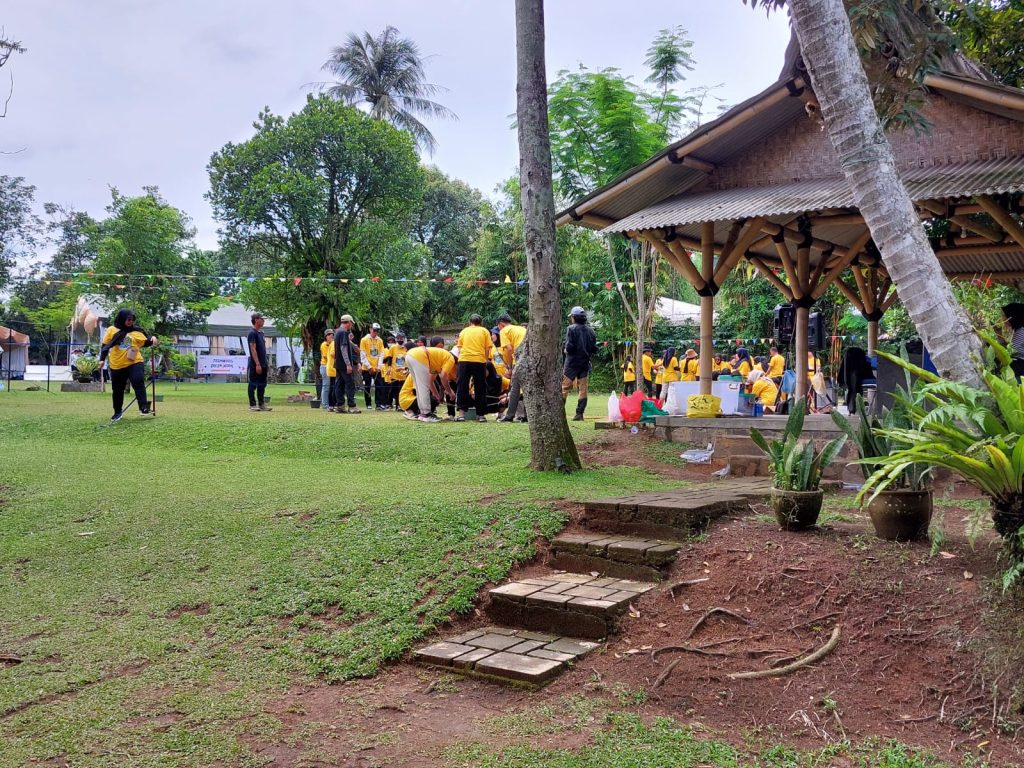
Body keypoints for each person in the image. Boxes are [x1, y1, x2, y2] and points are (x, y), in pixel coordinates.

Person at [100, 308, 157, 420]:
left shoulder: (136, 331)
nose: (131, 322)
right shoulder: (112, 330)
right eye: (129, 319)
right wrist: (101, 359)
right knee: (117, 390)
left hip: (134, 361)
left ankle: (144, 407)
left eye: (133, 320)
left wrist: (153, 339)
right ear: (122, 319)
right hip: (117, 364)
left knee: (138, 380)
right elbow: (105, 345)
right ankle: (117, 412)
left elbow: (146, 342)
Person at [405, 336, 457, 422]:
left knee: (419, 387)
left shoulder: (436, 362)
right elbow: (443, 376)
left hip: (410, 355)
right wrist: (451, 392)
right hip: (419, 355)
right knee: (423, 387)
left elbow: (430, 382)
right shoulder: (450, 359)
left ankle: (422, 413)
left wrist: (436, 395)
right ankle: (426, 414)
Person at [562, 306, 598, 421]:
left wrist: (566, 350)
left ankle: (559, 413)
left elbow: (570, 346)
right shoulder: (591, 331)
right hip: (584, 363)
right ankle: (579, 414)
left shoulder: (571, 329)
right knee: (583, 389)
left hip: (571, 363)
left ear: (574, 317)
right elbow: (594, 349)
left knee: (564, 388)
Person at [456, 314, 493, 422]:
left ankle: (461, 414)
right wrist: (485, 361)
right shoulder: (484, 331)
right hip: (479, 361)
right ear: (480, 322)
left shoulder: (463, 331)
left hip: (464, 360)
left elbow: (459, 348)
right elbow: (487, 349)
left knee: (462, 386)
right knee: (480, 387)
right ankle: (480, 415)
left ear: (470, 322)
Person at [496, 314, 528, 423]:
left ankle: (509, 416)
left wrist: (509, 367)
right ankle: (527, 415)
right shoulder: (520, 328)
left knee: (515, 388)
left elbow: (509, 349)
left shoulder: (504, 331)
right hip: (530, 359)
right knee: (526, 387)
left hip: (519, 360)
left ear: (501, 324)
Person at [333, 315, 361, 414]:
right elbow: (343, 349)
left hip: (338, 363)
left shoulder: (337, 332)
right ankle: (352, 406)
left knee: (339, 384)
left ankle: (340, 406)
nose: (351, 325)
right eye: (351, 323)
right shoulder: (344, 332)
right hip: (344, 364)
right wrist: (348, 364)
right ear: (348, 322)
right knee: (350, 384)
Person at [245, 312, 272, 412]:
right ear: (256, 320)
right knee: (253, 384)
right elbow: (253, 349)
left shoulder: (261, 333)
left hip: (263, 362)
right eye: (262, 319)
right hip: (255, 363)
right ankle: (252, 404)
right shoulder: (252, 333)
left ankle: (261, 404)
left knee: (262, 384)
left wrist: (264, 363)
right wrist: (257, 364)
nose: (263, 321)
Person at [360, 322, 387, 410]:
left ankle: (378, 404)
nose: (376, 332)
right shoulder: (364, 340)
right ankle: (368, 404)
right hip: (367, 368)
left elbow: (381, 353)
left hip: (377, 368)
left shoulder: (380, 340)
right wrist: (369, 367)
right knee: (367, 386)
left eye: (377, 331)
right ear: (370, 329)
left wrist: (379, 366)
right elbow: (363, 354)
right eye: (374, 330)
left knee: (379, 386)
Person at [382, 331, 409, 409]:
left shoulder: (406, 347)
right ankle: (389, 404)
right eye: (398, 338)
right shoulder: (393, 347)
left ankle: (399, 404)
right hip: (394, 372)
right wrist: (389, 368)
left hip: (404, 372)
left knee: (401, 390)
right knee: (393, 389)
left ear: (404, 339)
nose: (400, 340)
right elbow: (390, 358)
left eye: (401, 338)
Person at [1004, 303, 1024, 380]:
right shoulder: (1019, 330)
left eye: (1005, 316)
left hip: (1020, 368)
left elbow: (1009, 352)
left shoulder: (1021, 331)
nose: (1002, 319)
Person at [319, 329, 333, 410]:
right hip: (325, 366)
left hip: (331, 366)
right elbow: (326, 356)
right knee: (326, 386)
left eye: (332, 334)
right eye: (329, 334)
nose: (331, 335)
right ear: (326, 336)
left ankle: (330, 404)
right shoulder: (324, 345)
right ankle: (325, 404)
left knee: (331, 386)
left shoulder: (333, 344)